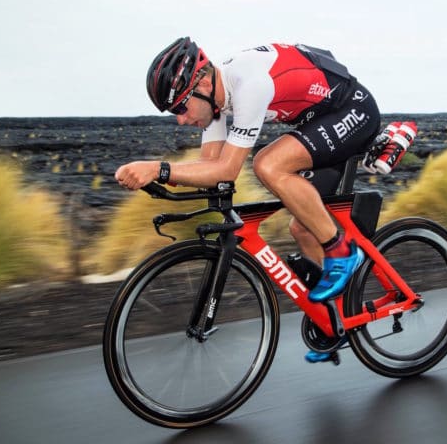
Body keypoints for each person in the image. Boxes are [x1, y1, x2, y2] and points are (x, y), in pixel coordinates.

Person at [115, 37, 381, 362]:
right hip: (320, 121)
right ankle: (335, 322)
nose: (180, 119)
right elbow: (208, 168)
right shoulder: (215, 102)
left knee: (267, 164)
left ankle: (341, 251)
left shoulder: (248, 84)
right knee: (303, 228)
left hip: (352, 111)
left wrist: (158, 168)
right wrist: (161, 180)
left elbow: (226, 170)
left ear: (201, 83)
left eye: (181, 107)